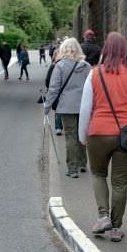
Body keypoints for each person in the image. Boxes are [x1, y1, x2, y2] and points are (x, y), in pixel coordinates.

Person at [79, 32, 127, 242]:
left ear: (105, 50)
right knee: (120, 183)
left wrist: (83, 136)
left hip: (98, 133)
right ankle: (116, 228)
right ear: (124, 50)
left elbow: (85, 109)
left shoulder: (94, 74)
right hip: (126, 136)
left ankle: (103, 217)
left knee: (98, 174)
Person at [44, 38, 90, 178]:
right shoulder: (86, 66)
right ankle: (82, 163)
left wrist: (47, 106)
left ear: (63, 49)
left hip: (67, 106)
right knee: (82, 134)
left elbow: (53, 89)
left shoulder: (60, 66)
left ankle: (72, 168)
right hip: (84, 105)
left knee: (71, 136)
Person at [45, 50, 63, 135]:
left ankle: (58, 127)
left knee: (58, 109)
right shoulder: (65, 65)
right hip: (63, 91)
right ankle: (60, 126)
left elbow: (47, 80)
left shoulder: (53, 66)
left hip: (56, 90)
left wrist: (49, 89)